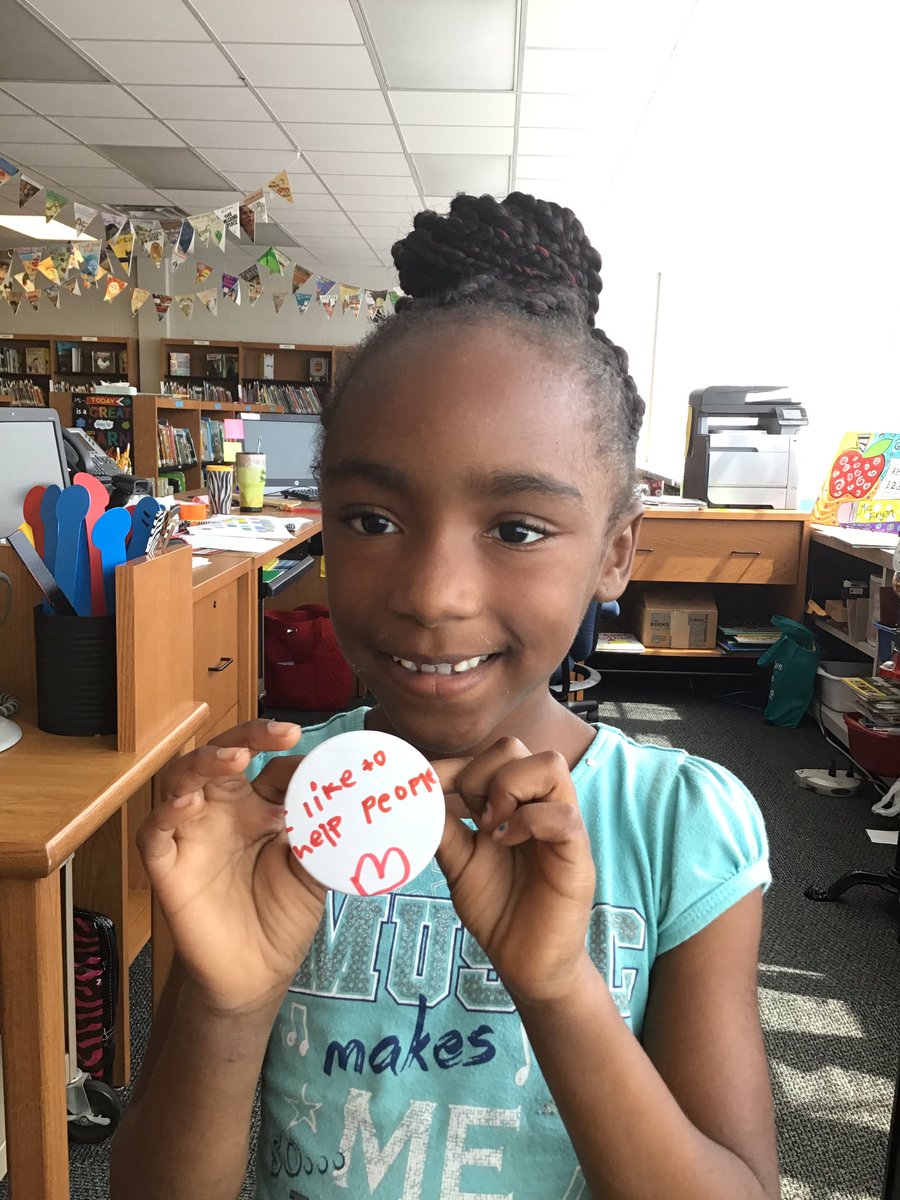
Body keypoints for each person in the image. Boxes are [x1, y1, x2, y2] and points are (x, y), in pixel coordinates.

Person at [112, 193, 779, 1200]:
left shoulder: (681, 828)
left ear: (615, 552)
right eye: (372, 519)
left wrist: (558, 988)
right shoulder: (258, 813)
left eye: (515, 530)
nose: (432, 595)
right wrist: (228, 1004)